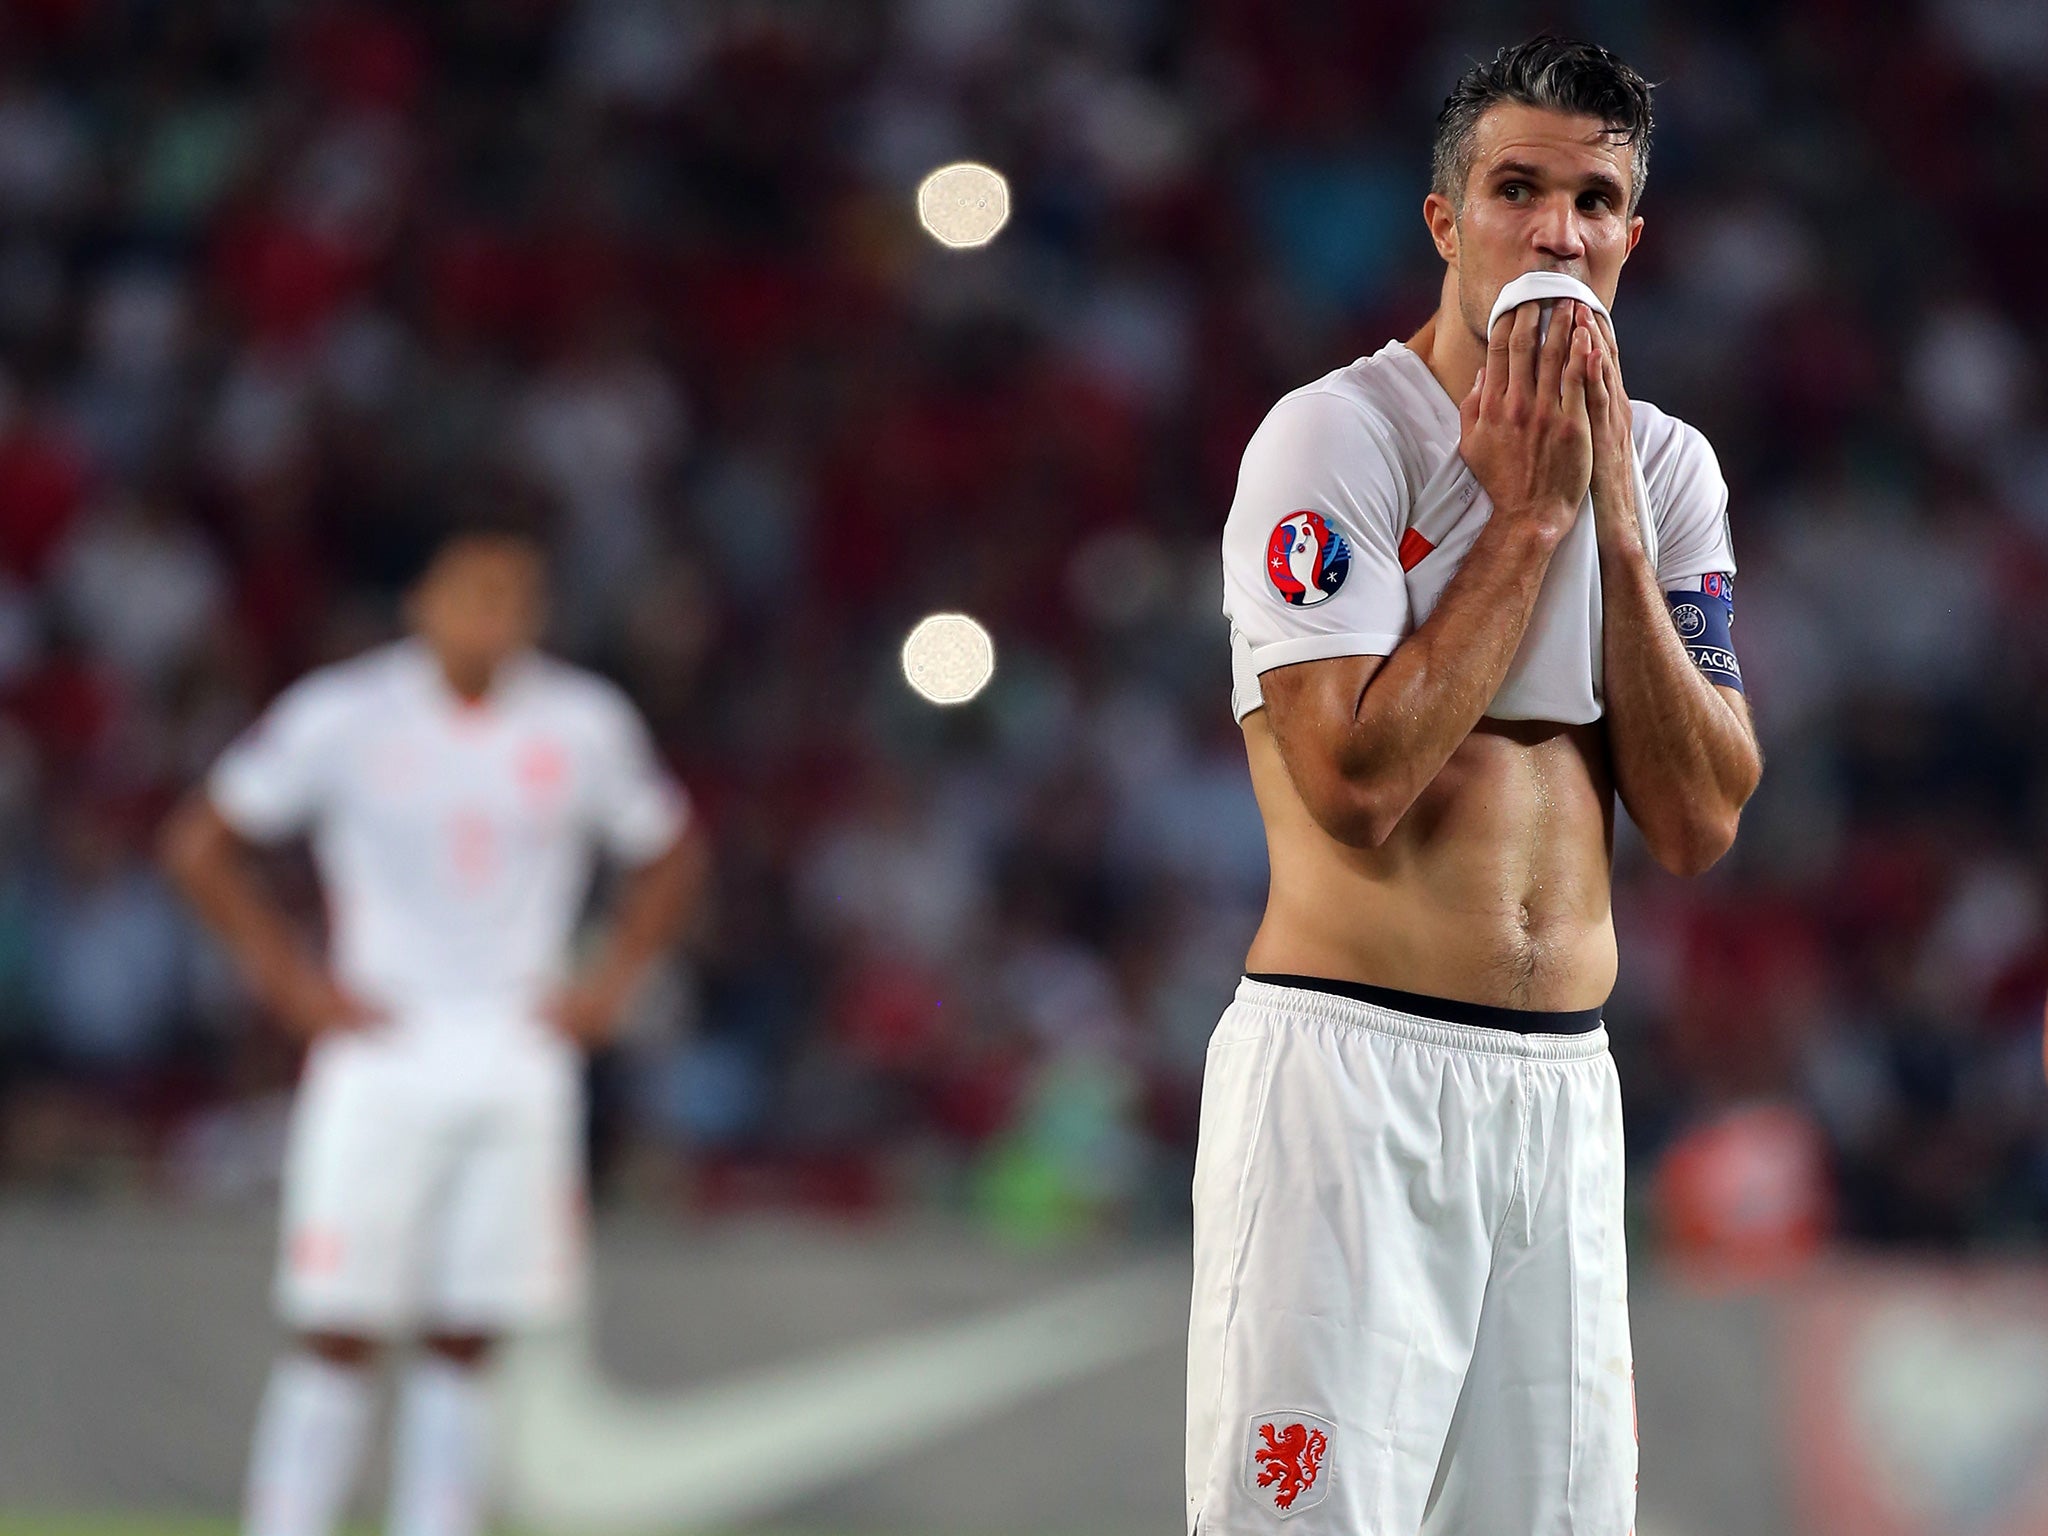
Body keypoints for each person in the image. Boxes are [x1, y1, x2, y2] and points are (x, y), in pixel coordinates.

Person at [1187, 35, 1762, 1535]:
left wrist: (1617, 535)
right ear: (1447, 221)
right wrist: (1524, 524)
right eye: (1519, 189)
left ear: (1635, 233)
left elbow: (1701, 819)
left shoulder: (1672, 468)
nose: (1558, 233)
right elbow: (1353, 784)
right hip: (1350, 1080)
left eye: (1596, 199)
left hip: (1561, 1100)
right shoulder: (1337, 439)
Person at [161, 518, 710, 1536]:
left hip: (518, 1050)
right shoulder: (347, 713)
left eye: (515, 597)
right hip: (385, 1046)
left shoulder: (582, 723)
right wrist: (291, 984)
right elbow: (203, 842)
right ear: (422, 603)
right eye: (473, 593)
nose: (493, 617)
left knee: (468, 1334)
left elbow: (670, 849)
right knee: (338, 1324)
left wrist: (611, 982)